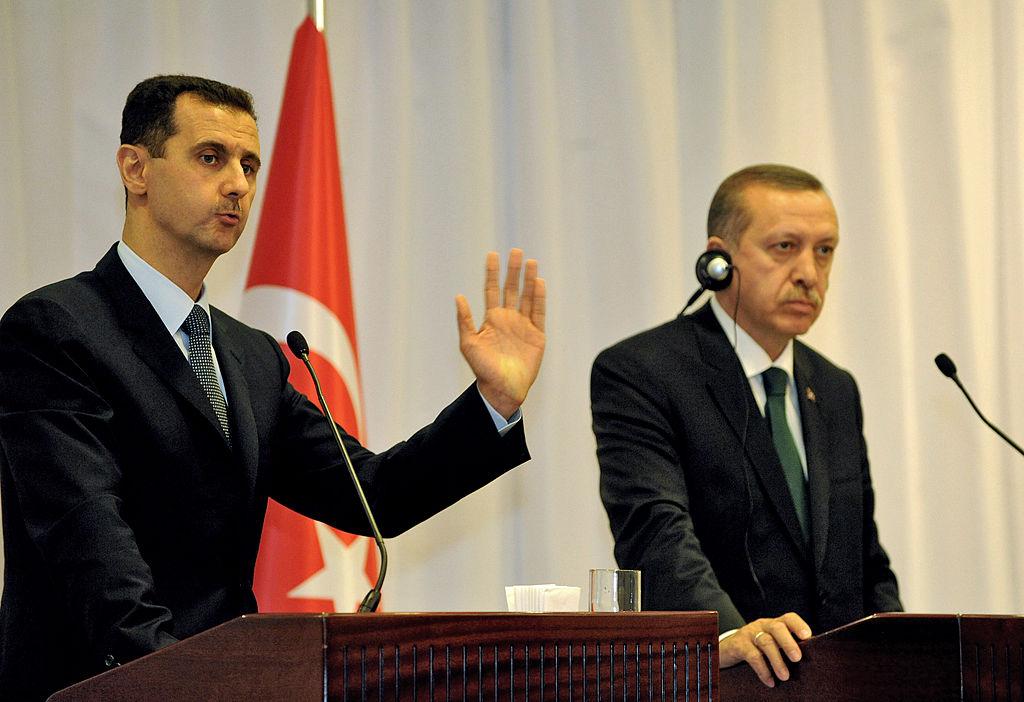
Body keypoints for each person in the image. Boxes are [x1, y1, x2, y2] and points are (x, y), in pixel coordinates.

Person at [0, 75, 547, 701]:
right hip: (101, 687)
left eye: (249, 164)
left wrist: (493, 406)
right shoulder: (54, 331)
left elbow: (373, 494)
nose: (238, 183)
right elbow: (91, 551)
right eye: (211, 157)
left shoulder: (249, 356)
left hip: (219, 682)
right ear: (135, 170)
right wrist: (185, 685)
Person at [591, 164, 901, 687]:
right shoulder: (642, 372)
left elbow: (864, 558)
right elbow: (655, 532)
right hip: (720, 682)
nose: (809, 272)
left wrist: (903, 662)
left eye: (824, 251)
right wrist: (734, 639)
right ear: (719, 260)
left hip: (839, 686)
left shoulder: (835, 387)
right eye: (785, 247)